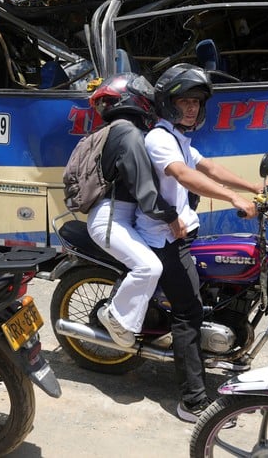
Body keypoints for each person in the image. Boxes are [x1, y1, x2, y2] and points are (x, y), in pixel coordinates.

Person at [135, 63, 259, 423]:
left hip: (183, 232)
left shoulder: (179, 139)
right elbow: (185, 176)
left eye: (196, 102)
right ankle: (192, 401)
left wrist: (253, 189)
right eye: (184, 101)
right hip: (163, 238)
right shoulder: (159, 138)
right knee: (187, 313)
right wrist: (233, 200)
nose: (191, 108)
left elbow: (209, 168)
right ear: (168, 103)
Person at [85, 73, 186, 348]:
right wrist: (170, 216)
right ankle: (114, 317)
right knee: (149, 267)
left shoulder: (127, 131)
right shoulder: (127, 132)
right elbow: (144, 186)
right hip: (111, 219)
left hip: (122, 218)